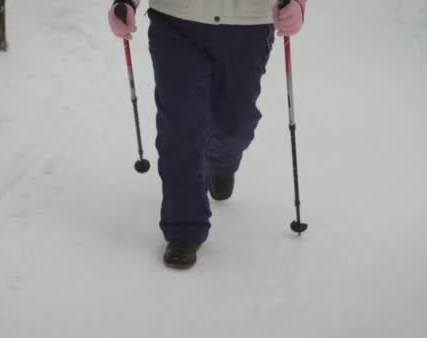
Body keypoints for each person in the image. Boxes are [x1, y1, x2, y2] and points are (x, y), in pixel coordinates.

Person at [108, 0, 307, 269]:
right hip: (176, 20)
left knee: (235, 124)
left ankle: (220, 162)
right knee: (180, 126)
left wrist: (296, 4)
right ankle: (183, 228)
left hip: (247, 25)